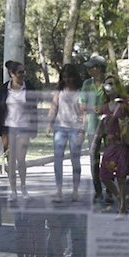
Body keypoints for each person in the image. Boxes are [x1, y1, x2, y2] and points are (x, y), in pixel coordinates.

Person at [95, 75, 129, 217]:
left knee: (121, 177)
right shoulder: (104, 107)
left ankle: (122, 209)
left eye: (112, 84)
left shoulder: (126, 103)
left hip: (123, 144)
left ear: (117, 86)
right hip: (110, 145)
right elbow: (101, 126)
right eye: (106, 84)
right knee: (104, 175)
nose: (109, 87)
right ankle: (121, 199)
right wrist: (95, 141)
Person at [0, 60, 39, 202]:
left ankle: (23, 187)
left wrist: (34, 129)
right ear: (12, 74)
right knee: (10, 160)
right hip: (8, 127)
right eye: (19, 72)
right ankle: (13, 190)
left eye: (24, 72)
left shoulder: (28, 88)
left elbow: (34, 109)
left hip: (24, 127)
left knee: (21, 159)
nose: (22, 75)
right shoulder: (5, 89)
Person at [46, 64, 85, 202]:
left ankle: (75, 190)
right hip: (60, 128)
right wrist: (49, 124)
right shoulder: (59, 92)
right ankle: (59, 191)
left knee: (75, 160)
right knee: (57, 160)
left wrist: (82, 130)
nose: (68, 80)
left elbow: (83, 113)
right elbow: (53, 107)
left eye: (70, 77)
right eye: (65, 77)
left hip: (75, 129)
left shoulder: (80, 92)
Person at [80, 54, 112, 204]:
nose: (89, 71)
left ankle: (110, 191)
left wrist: (105, 108)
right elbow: (81, 105)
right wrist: (94, 109)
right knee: (94, 159)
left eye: (91, 68)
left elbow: (119, 101)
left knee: (111, 160)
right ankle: (98, 191)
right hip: (93, 128)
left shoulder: (110, 82)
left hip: (111, 128)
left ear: (99, 69)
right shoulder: (87, 84)